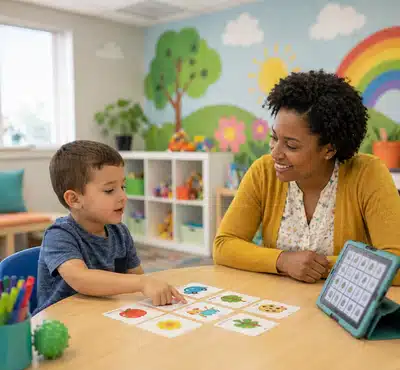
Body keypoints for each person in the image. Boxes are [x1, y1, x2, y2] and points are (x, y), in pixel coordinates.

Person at [213, 70, 400, 285]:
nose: (275, 152)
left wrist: (318, 267)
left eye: (291, 145)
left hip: (340, 310)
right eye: (274, 138)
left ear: (329, 150)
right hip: (278, 306)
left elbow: (396, 264)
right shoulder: (263, 172)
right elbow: (224, 245)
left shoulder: (367, 174)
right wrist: (282, 261)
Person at [35, 140, 185, 314]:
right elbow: (81, 278)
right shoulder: (59, 235)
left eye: (123, 186)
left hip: (105, 315)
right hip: (61, 325)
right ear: (74, 199)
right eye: (109, 190)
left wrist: (153, 287)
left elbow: (136, 278)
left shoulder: (120, 232)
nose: (123, 196)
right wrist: (143, 283)